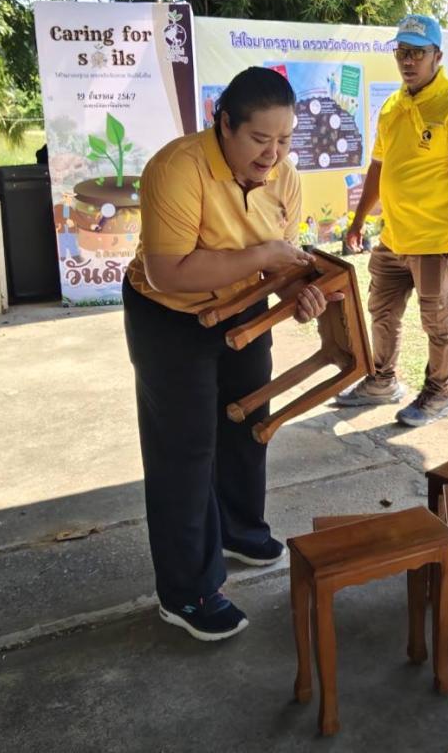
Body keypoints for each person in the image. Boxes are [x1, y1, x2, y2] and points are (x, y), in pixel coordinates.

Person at [122, 66, 340, 642]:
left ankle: (240, 530)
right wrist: (265, 254)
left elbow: (283, 268)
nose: (273, 155)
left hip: (244, 306)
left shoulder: (285, 180)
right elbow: (168, 272)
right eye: (259, 139)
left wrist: (302, 294)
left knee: (249, 417)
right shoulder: (178, 168)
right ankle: (186, 591)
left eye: (285, 140)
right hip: (170, 314)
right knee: (185, 449)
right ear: (223, 124)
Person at [337, 14, 448, 427]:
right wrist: (357, 221)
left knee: (437, 323)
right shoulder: (393, 106)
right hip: (393, 240)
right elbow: (378, 169)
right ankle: (382, 381)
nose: (407, 60)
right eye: (402, 52)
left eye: (417, 53)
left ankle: (441, 393)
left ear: (437, 55)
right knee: (381, 312)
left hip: (436, 242)